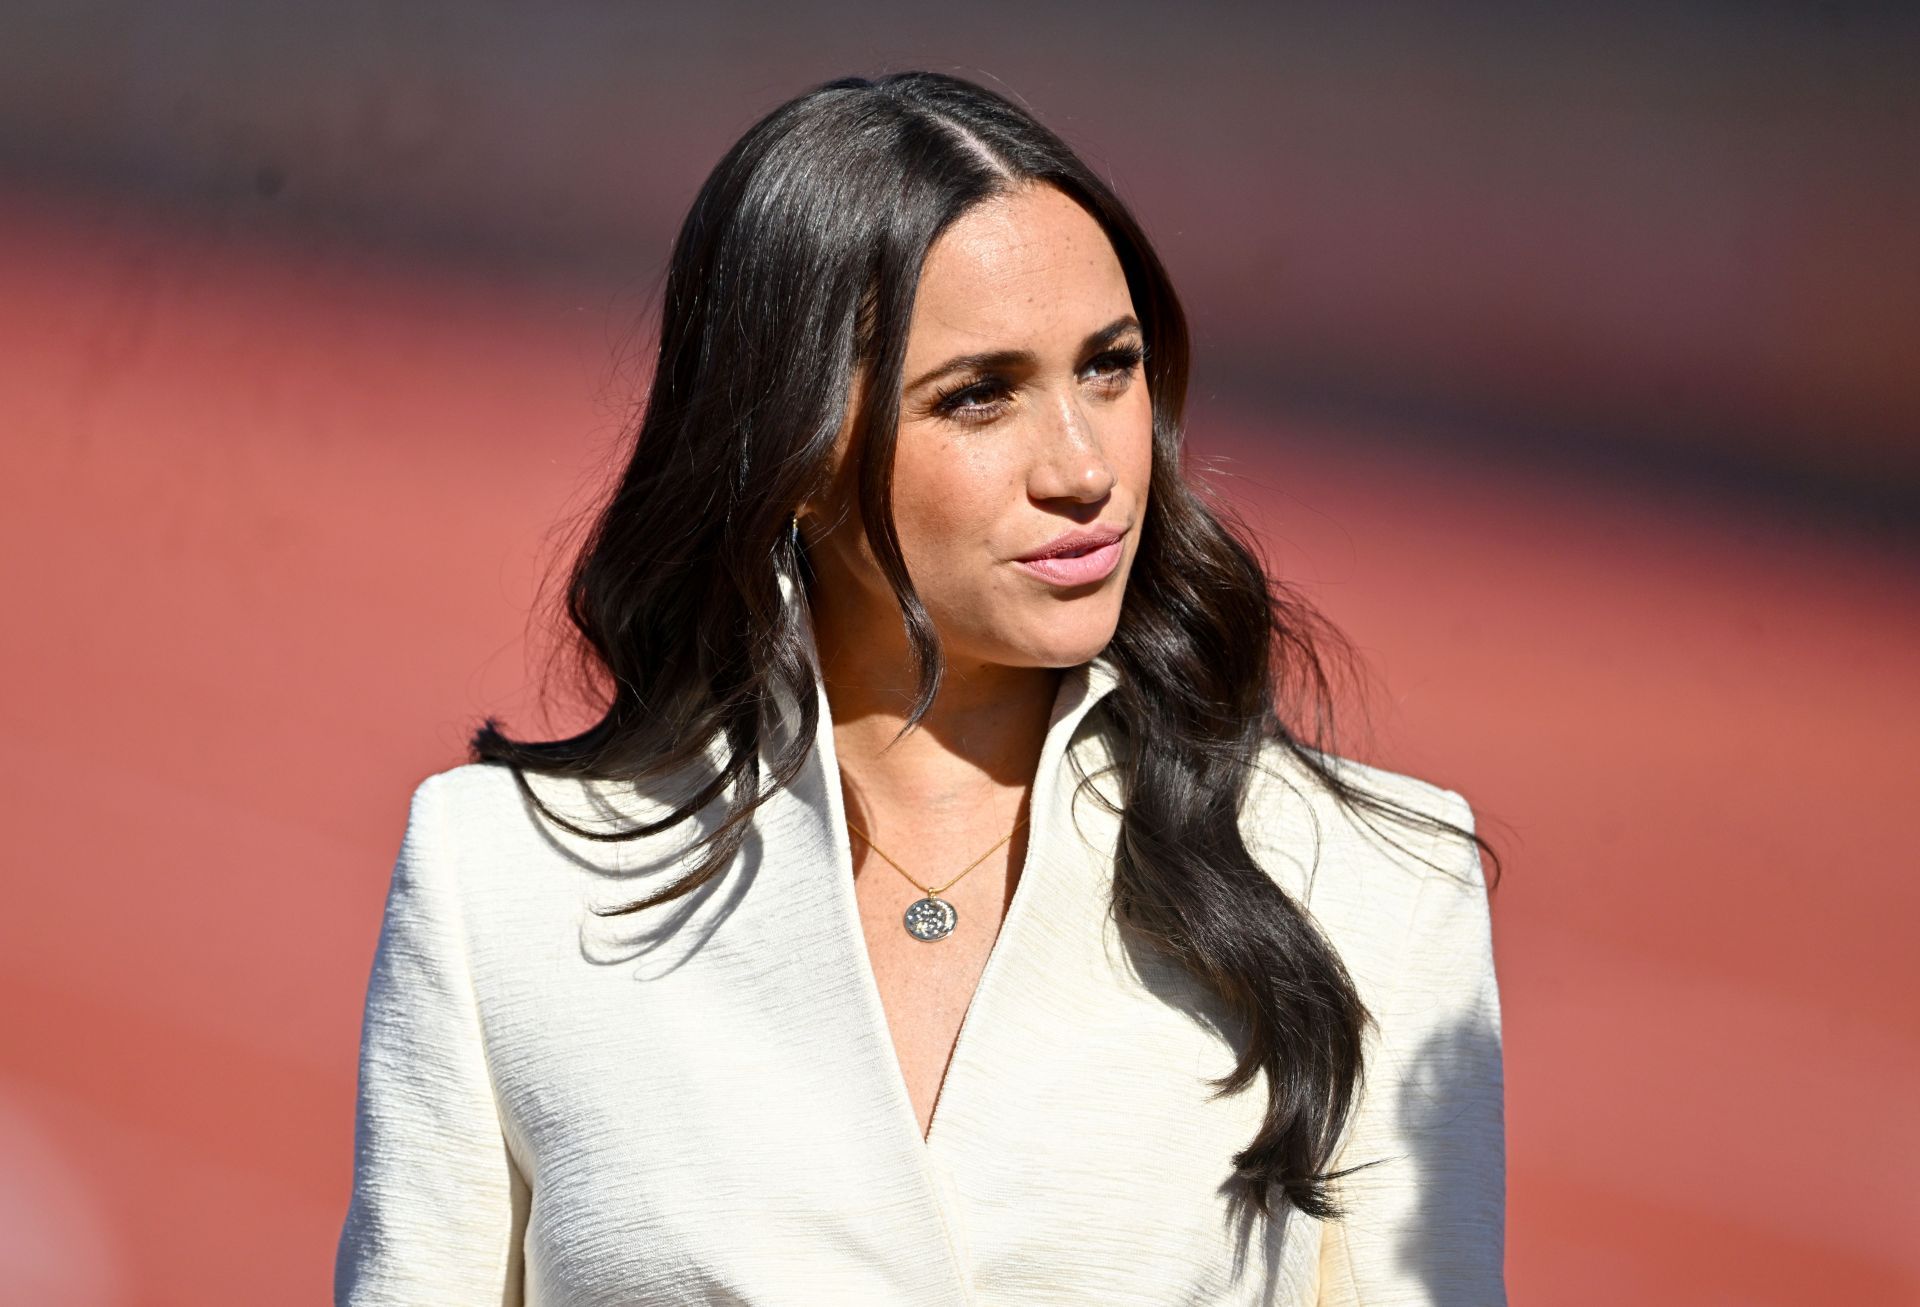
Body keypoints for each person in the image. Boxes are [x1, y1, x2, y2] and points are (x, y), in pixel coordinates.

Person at [334, 70, 1506, 1306]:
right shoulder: (505, 884)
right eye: (979, 395)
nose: (1084, 462)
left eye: (1110, 368)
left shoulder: (1375, 884)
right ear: (791, 449)